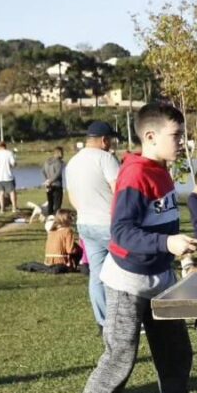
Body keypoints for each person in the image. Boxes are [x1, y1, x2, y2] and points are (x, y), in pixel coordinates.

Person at [58, 101, 197, 393]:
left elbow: (164, 226)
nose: (182, 141)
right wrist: (167, 245)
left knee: (177, 355)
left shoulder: (164, 171)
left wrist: (179, 256)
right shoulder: (135, 175)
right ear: (150, 136)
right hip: (127, 284)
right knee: (120, 358)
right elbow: (121, 232)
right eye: (176, 135)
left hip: (160, 280)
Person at [65, 121, 122, 330]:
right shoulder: (106, 159)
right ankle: (125, 319)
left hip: (85, 224)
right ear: (104, 140)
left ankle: (103, 321)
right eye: (111, 140)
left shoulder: (72, 163)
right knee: (127, 271)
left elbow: (72, 197)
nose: (111, 145)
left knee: (97, 275)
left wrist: (86, 211)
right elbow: (119, 191)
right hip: (108, 223)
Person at [0, 140, 18, 214]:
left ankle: (2, 209)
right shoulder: (9, 153)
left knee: (1, 193)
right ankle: (14, 208)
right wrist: (15, 163)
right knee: (12, 192)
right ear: (5, 145)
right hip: (8, 176)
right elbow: (13, 164)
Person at [42, 146, 65, 216]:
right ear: (59, 153)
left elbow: (43, 171)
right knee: (57, 204)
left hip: (48, 186)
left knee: (50, 203)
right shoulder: (59, 162)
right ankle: (56, 219)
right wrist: (51, 181)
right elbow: (57, 174)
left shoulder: (47, 161)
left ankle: (50, 217)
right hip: (57, 185)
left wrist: (47, 181)